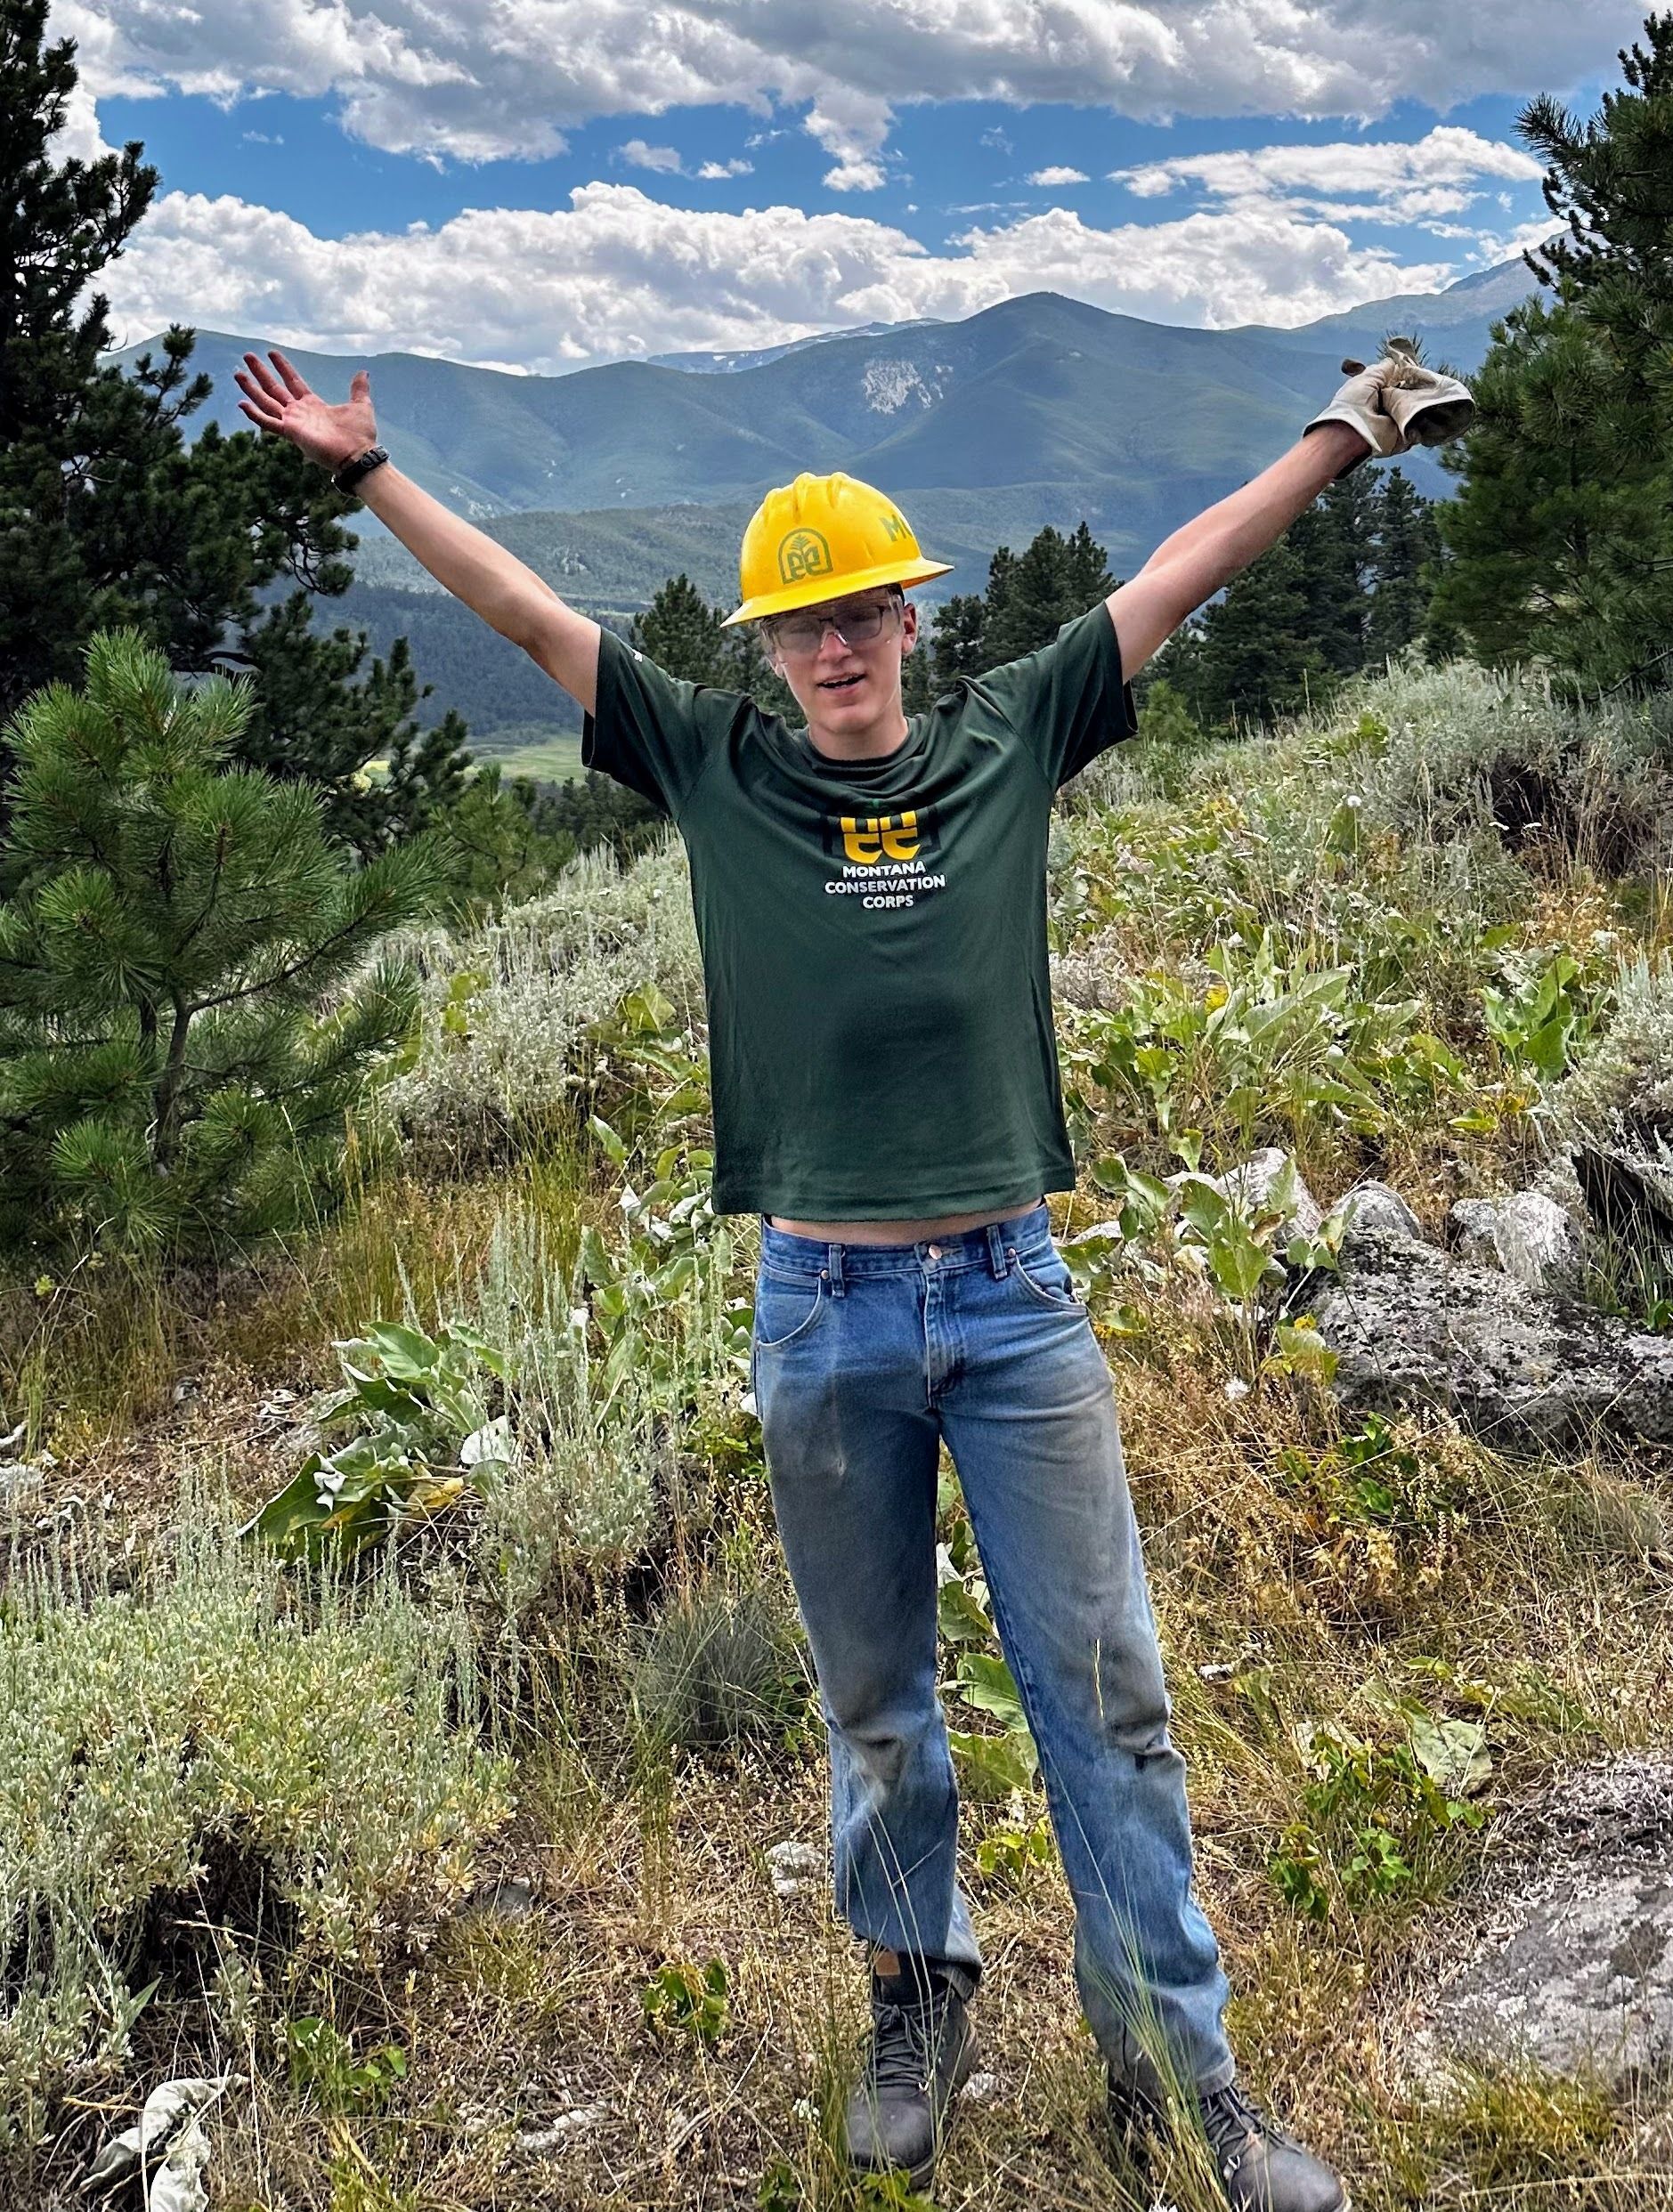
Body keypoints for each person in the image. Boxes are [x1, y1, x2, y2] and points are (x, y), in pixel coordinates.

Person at [237, 335, 1471, 2210]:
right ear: (768, 647)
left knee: (1108, 1698)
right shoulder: (708, 762)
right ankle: (918, 1996)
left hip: (1010, 1297)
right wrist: (364, 473)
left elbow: (1183, 569)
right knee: (876, 1699)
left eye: (862, 617)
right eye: (801, 627)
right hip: (819, 1303)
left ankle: (1177, 2077)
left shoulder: (1012, 731)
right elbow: (521, 607)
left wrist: (1341, 432)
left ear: (911, 617)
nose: (835, 651)